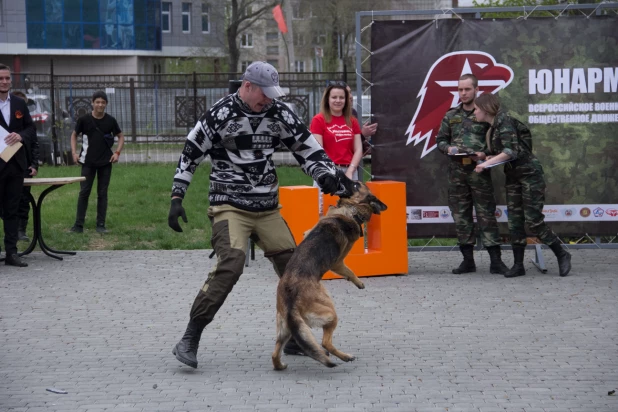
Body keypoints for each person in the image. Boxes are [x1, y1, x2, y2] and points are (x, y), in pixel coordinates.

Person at [167, 61, 353, 369]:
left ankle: (294, 335)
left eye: (272, 94)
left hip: (266, 207)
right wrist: (177, 195)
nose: (268, 100)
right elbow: (191, 152)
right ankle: (190, 336)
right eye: (263, 94)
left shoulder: (278, 113)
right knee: (231, 263)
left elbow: (308, 149)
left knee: (298, 266)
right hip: (229, 204)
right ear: (247, 85)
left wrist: (327, 175)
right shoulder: (220, 114)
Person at [473, 93, 571, 278]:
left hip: (529, 176)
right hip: (513, 177)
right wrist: (483, 155)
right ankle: (518, 265)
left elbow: (511, 151)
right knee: (515, 221)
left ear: (485, 109)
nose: (474, 113)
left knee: (533, 220)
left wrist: (485, 164)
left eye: (476, 109)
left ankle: (562, 253)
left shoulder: (504, 122)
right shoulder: (494, 127)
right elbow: (501, 150)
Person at [436, 74, 508, 275]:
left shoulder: (485, 113)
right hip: (457, 174)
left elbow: (498, 142)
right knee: (461, 217)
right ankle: (468, 261)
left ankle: (496, 261)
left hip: (479, 172)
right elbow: (440, 139)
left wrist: (484, 154)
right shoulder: (451, 115)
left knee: (486, 215)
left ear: (476, 89)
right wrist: (448, 149)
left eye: (467, 89)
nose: (463, 93)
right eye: (460, 90)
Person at [70, 91, 124, 234]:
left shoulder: (110, 120)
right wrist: (74, 153)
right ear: (92, 103)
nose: (100, 105)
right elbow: (74, 135)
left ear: (106, 104)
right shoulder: (84, 120)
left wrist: (117, 153)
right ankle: (78, 225)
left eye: (103, 102)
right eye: (97, 102)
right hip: (87, 162)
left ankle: (101, 224)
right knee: (84, 192)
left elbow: (121, 136)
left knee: (102, 193)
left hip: (106, 162)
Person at [0, 63, 36, 267]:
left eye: (7, 78)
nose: (4, 82)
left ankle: (11, 252)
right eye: (0, 79)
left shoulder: (19, 104)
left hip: (15, 165)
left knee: (12, 210)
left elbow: (31, 128)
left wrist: (20, 136)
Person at [310, 82, 362, 213]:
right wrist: (331, 172)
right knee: (324, 213)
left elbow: (358, 149)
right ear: (327, 99)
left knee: (350, 212)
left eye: (341, 97)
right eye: (334, 97)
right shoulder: (318, 120)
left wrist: (350, 171)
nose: (338, 101)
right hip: (327, 173)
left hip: (349, 172)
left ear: (346, 100)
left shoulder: (352, 121)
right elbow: (318, 150)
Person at [11, 90, 39, 242]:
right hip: (8, 165)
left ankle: (22, 229)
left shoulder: (28, 126)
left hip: (25, 166)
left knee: (24, 199)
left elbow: (34, 145)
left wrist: (34, 164)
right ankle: (11, 228)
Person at [346, 84, 378, 156]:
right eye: (346, 93)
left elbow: (354, 143)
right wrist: (363, 135)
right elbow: (343, 143)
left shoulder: (353, 112)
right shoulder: (323, 119)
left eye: (350, 92)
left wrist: (364, 143)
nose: (350, 96)